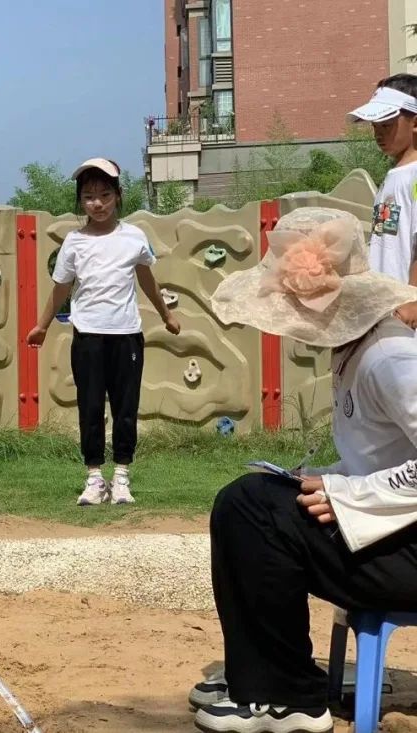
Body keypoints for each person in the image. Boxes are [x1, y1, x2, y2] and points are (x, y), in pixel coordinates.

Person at [188, 207, 417, 733]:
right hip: (397, 533)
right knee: (256, 496)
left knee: (251, 507)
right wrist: (328, 478)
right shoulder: (356, 353)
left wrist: (348, 494)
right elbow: (382, 458)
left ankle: (287, 699)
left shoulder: (390, 360)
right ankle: (259, 676)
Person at [26, 159, 180, 506]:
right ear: (81, 201)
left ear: (118, 196)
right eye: (89, 196)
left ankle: (122, 477)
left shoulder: (134, 237)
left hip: (127, 335)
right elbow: (61, 289)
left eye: (105, 195)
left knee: (126, 407)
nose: (97, 203)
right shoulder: (75, 242)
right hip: (88, 336)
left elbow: (147, 281)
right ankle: (95, 478)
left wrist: (166, 315)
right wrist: (42, 325)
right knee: (90, 406)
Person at [347, 73, 417, 328]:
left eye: (386, 125)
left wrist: (413, 300)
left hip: (407, 314)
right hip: (388, 310)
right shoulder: (394, 175)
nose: (378, 133)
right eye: (374, 126)